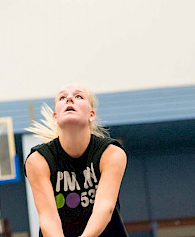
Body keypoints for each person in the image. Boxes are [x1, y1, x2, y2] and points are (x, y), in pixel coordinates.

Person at [24, 85, 128, 237]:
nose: (69, 99)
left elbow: (105, 208)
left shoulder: (111, 153)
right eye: (62, 97)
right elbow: (48, 219)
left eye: (79, 96)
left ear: (91, 114)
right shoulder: (38, 160)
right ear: (55, 117)